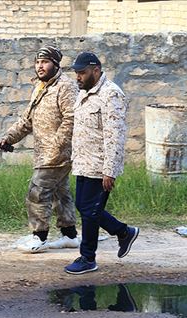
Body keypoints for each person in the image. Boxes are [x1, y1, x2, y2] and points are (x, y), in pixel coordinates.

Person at [0, 46, 80, 254]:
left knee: (37, 191)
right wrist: (9, 138)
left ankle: (39, 237)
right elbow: (27, 120)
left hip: (57, 154)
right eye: (37, 62)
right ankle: (70, 235)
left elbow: (71, 120)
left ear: (55, 64)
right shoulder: (40, 87)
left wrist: (56, 146)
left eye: (45, 62)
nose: (40, 66)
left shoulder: (66, 87)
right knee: (60, 193)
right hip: (44, 152)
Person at [65, 52, 139, 275]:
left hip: (100, 166)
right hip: (83, 163)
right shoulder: (84, 92)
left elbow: (115, 135)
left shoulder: (111, 94)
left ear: (96, 70)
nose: (78, 77)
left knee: (90, 211)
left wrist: (110, 170)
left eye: (82, 73)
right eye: (76, 73)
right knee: (85, 207)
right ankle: (123, 232)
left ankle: (88, 258)